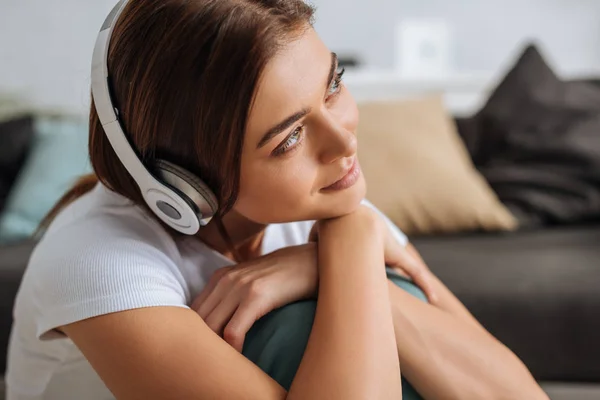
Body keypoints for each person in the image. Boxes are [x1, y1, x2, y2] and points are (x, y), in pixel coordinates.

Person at [5, 1, 549, 399]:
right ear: (185, 183)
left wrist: (335, 253)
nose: (344, 141)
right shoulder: (98, 261)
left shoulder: (324, 202)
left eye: (333, 84)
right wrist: (355, 240)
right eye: (288, 138)